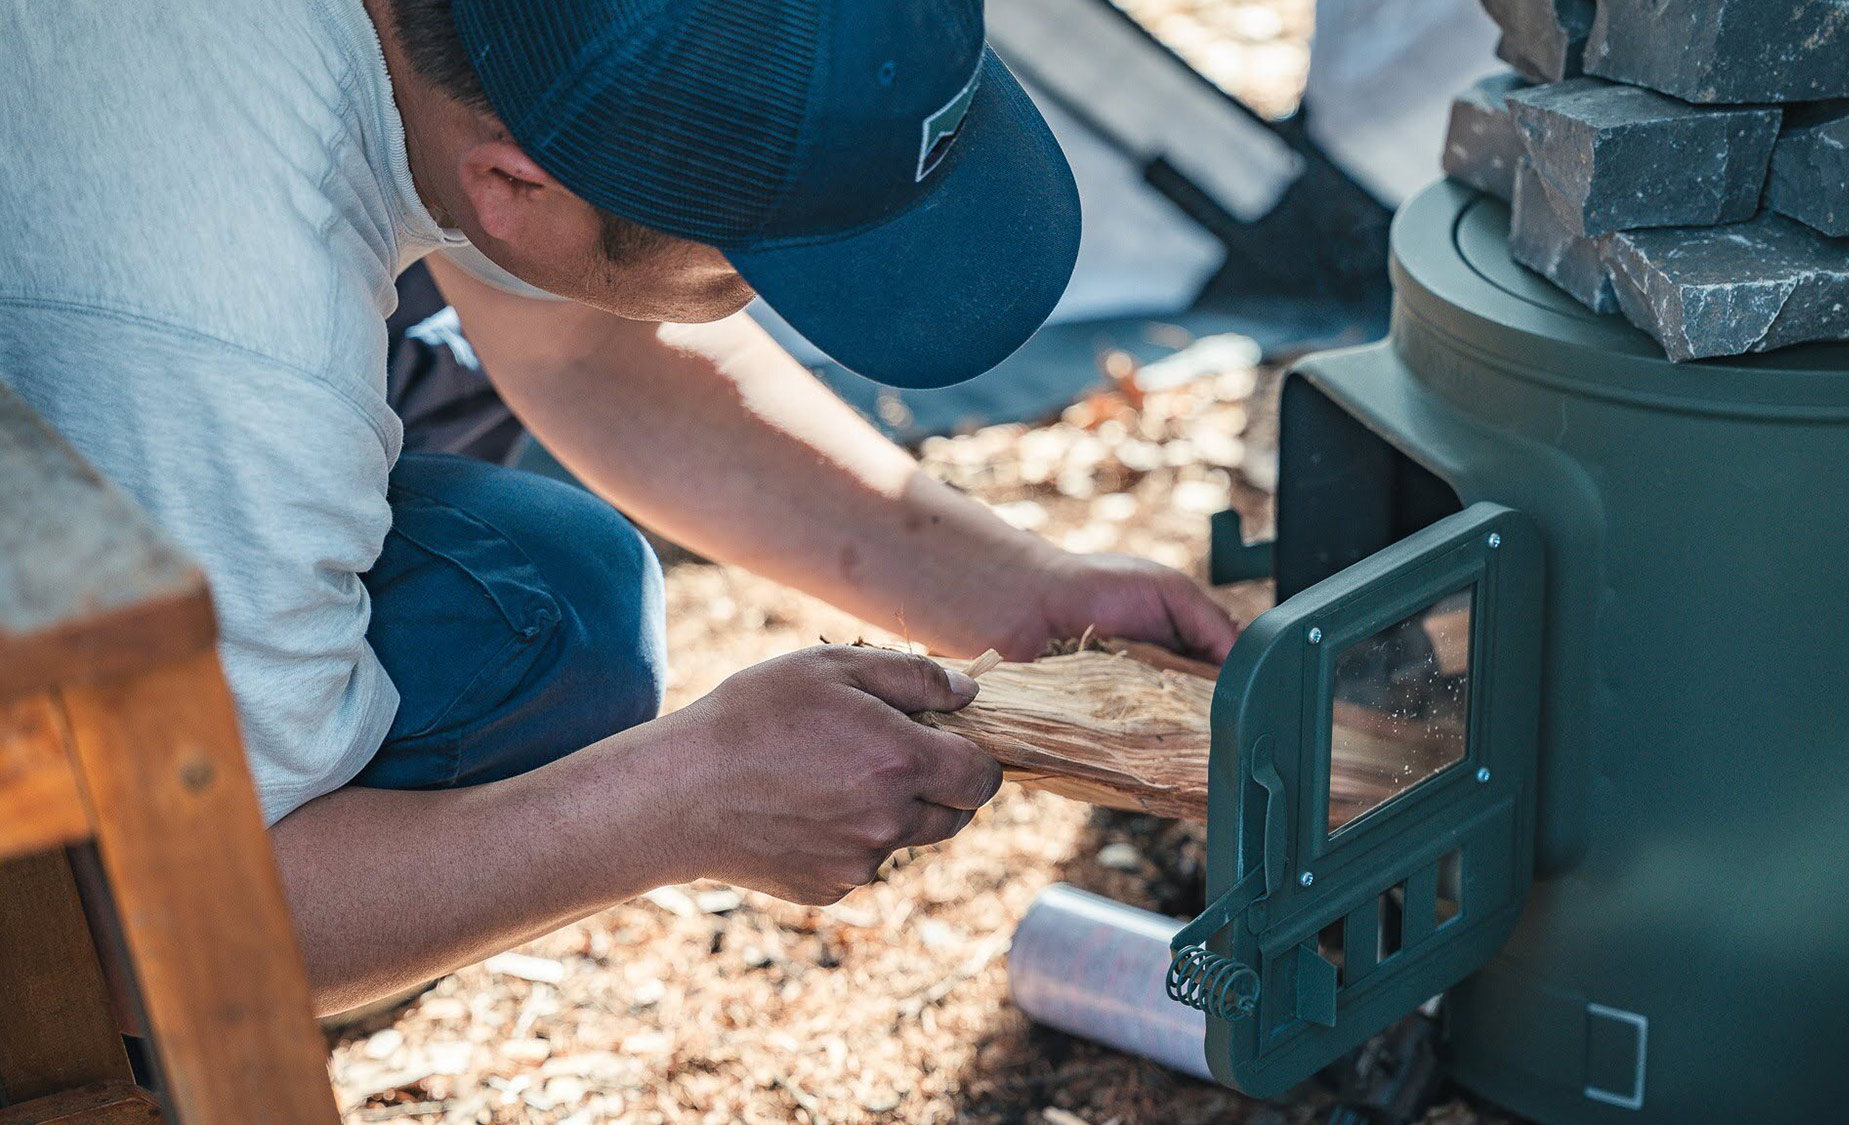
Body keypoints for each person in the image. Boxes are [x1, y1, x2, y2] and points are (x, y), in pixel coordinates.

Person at [0, 0, 1240, 1016]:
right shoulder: (225, 336)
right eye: (745, 265)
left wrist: (1009, 593)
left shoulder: (496, 54)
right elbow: (172, 919)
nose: (755, 296)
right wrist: (675, 801)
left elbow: (592, 348)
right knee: (533, 625)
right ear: (511, 186)